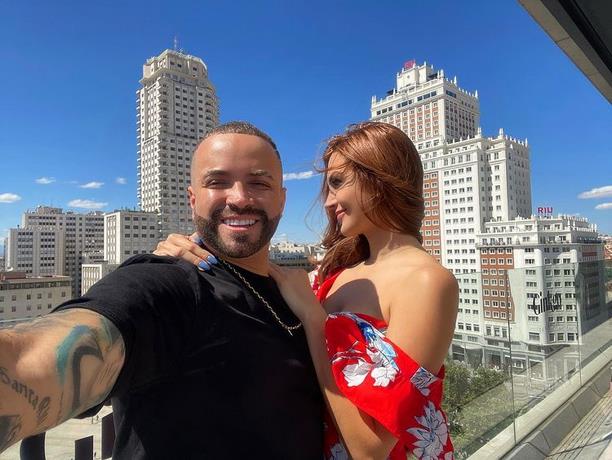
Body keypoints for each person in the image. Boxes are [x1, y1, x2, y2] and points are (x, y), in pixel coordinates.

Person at [0, 121, 324, 459]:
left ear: (282, 199)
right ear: (192, 199)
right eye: (217, 182)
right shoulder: (172, 283)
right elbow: (36, 358)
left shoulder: (296, 293)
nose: (240, 198)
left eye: (259, 182)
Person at [158, 122, 458, 459]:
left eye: (337, 183)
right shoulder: (340, 269)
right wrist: (189, 249)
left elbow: (371, 450)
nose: (328, 201)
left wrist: (316, 321)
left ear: (379, 179)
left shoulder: (426, 281)